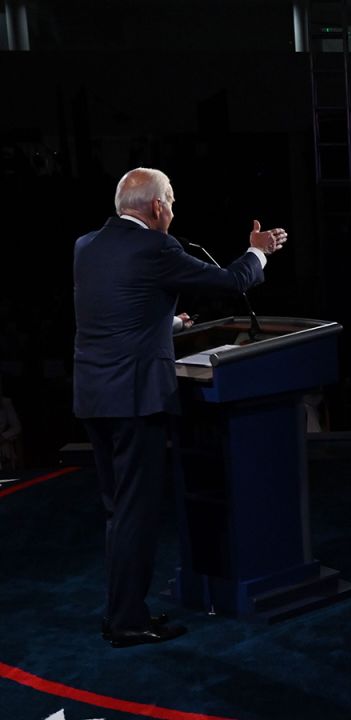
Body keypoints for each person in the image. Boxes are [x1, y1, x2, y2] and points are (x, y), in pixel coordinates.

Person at [74, 167, 288, 647]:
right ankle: (127, 621)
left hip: (94, 396)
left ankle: (121, 613)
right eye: (171, 201)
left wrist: (164, 323)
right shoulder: (157, 247)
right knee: (136, 513)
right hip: (135, 399)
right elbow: (233, 281)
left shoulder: (86, 246)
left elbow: (111, 311)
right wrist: (259, 250)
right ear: (156, 207)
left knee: (118, 512)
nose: (172, 210)